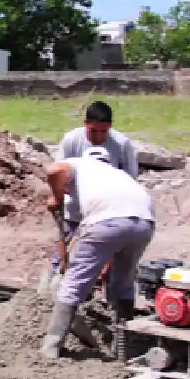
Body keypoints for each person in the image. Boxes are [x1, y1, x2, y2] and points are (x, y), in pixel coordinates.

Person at [41, 145, 156, 360]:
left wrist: (56, 198)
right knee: (123, 283)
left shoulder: (78, 165)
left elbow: (53, 170)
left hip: (106, 222)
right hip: (144, 223)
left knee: (74, 283)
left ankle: (51, 348)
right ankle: (121, 346)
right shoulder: (118, 176)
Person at [54, 100, 139, 250]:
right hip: (76, 209)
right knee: (67, 253)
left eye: (103, 132)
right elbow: (59, 171)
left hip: (108, 212)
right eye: (93, 131)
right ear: (85, 124)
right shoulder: (71, 140)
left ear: (110, 126)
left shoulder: (122, 144)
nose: (98, 137)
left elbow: (130, 179)